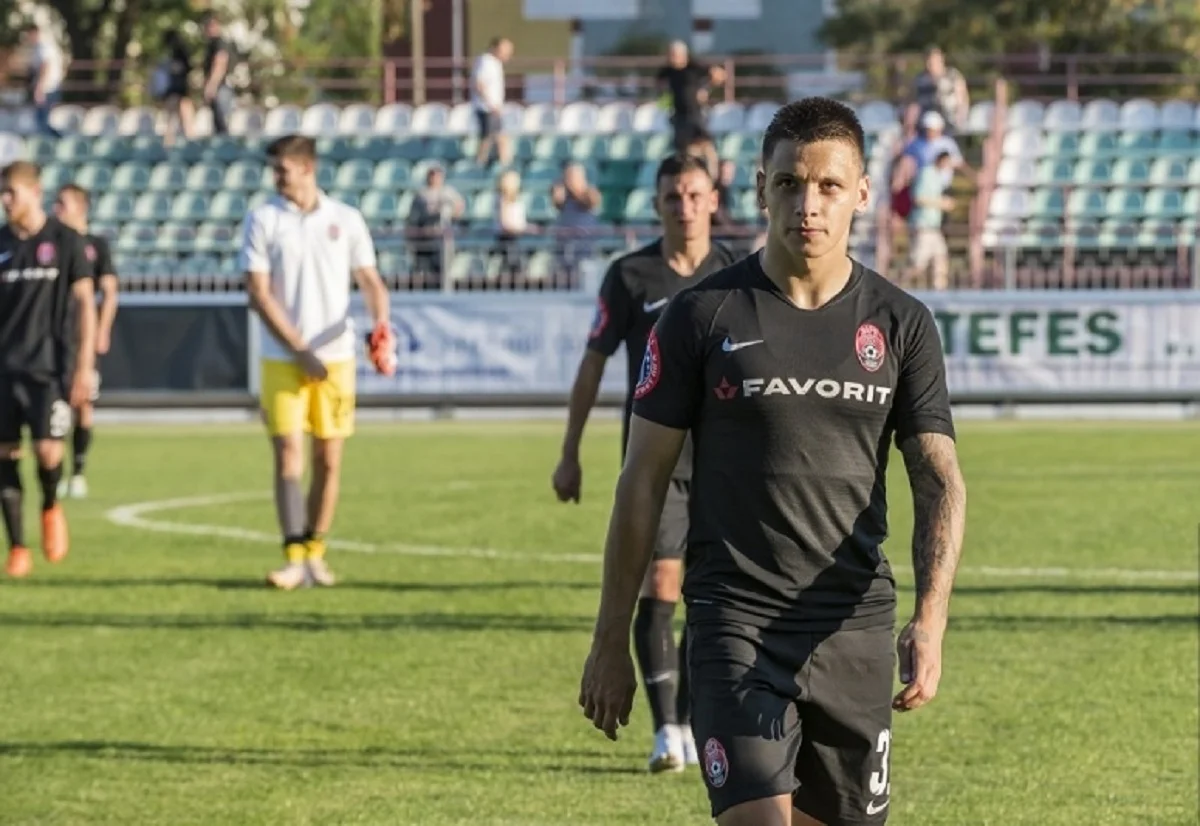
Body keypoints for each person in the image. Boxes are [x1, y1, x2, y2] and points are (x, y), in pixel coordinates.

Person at [578, 98, 968, 825]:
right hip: (736, 622)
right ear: (762, 189)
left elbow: (939, 480)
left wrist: (931, 619)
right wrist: (608, 640)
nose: (807, 204)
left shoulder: (902, 323)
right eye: (789, 183)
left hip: (853, 628)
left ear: (861, 193)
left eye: (828, 186)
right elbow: (641, 480)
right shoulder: (699, 317)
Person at [554, 154, 735, 773]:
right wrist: (570, 451)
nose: (684, 207)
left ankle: (690, 718)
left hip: (724, 460)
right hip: (656, 459)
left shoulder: (737, 275)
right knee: (660, 585)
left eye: (694, 195)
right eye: (672, 197)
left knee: (708, 595)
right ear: (656, 205)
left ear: (713, 201)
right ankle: (667, 730)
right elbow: (593, 363)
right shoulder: (629, 275)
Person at [240, 135, 395, 590]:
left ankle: (315, 552)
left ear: (308, 168)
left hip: (336, 359)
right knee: (289, 454)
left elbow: (370, 280)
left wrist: (381, 324)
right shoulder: (263, 218)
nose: (276, 178)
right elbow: (258, 293)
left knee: (329, 460)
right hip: (282, 358)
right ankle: (292, 557)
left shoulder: (345, 219)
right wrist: (298, 350)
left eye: (283, 170)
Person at [0, 161, 97, 578]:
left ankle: (51, 505)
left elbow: (85, 303)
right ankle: (18, 547)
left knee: (47, 451)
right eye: (2, 194)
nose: (5, 201)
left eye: (12, 193)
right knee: (5, 454)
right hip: (4, 369)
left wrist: (84, 366)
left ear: (35, 192)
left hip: (50, 369)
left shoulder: (65, 241)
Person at [52, 184, 118, 499]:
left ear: (81, 207)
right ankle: (55, 471)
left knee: (83, 403)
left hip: (82, 338)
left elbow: (110, 290)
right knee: (55, 406)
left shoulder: (96, 245)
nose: (56, 210)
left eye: (62, 203)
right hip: (54, 336)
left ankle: (78, 472)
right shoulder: (53, 243)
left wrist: (102, 329)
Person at [471, 37, 514, 167]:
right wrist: (491, 104)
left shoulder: (495, 63)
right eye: (505, 50)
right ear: (495, 48)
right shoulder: (485, 62)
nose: (507, 54)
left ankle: (503, 164)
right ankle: (479, 164)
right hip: (487, 108)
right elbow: (479, 84)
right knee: (488, 138)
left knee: (499, 137)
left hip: (493, 107)